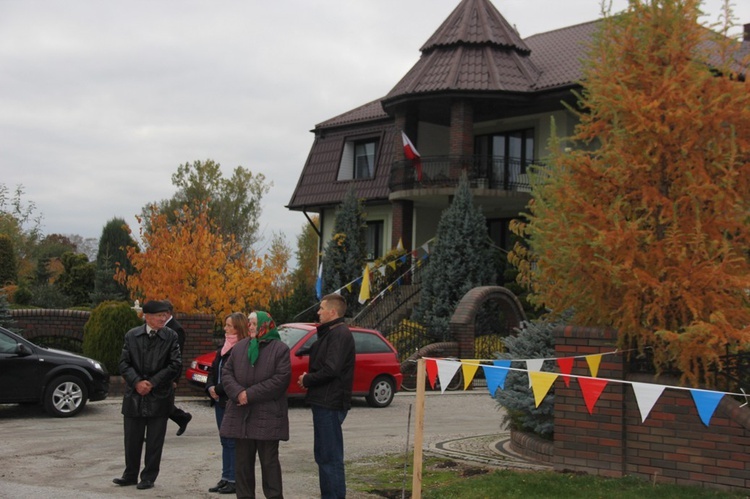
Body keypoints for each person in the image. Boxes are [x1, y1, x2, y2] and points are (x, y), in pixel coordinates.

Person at [113, 299, 182, 490]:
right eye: (160, 315)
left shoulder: (171, 336)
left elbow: (175, 364)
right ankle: (129, 475)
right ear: (148, 317)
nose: (164, 318)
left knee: (154, 441)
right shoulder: (132, 335)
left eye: (165, 315)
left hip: (159, 395)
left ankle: (149, 477)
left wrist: (152, 383)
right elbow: (123, 363)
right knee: (132, 439)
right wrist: (136, 382)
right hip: (134, 396)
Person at [221, 311, 291, 499]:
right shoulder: (240, 347)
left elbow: (280, 380)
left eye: (253, 323)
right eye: (249, 323)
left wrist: (249, 394)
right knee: (242, 465)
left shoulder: (280, 349)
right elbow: (226, 373)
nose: (250, 326)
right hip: (241, 415)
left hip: (268, 416)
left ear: (264, 325)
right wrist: (237, 393)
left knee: (269, 464)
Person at [297, 294, 355, 499]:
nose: (318, 312)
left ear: (333, 312)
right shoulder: (331, 333)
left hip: (330, 402)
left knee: (330, 458)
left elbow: (332, 369)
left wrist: (308, 379)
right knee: (323, 456)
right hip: (323, 401)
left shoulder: (340, 334)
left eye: (322, 308)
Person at [206, 312, 249, 495]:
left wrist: (220, 389)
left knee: (233, 441)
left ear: (238, 328)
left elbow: (238, 376)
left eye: (229, 325)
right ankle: (225, 477)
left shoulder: (242, 348)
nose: (225, 328)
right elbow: (213, 370)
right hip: (219, 401)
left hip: (231, 400)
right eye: (225, 325)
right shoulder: (222, 348)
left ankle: (234, 479)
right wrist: (209, 387)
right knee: (224, 440)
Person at [164, 300, 193, 436]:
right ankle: (183, 418)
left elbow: (178, 356)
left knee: (165, 404)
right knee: (163, 405)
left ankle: (182, 417)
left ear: (168, 313)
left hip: (169, 373)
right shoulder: (159, 326)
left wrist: (176, 378)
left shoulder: (177, 329)